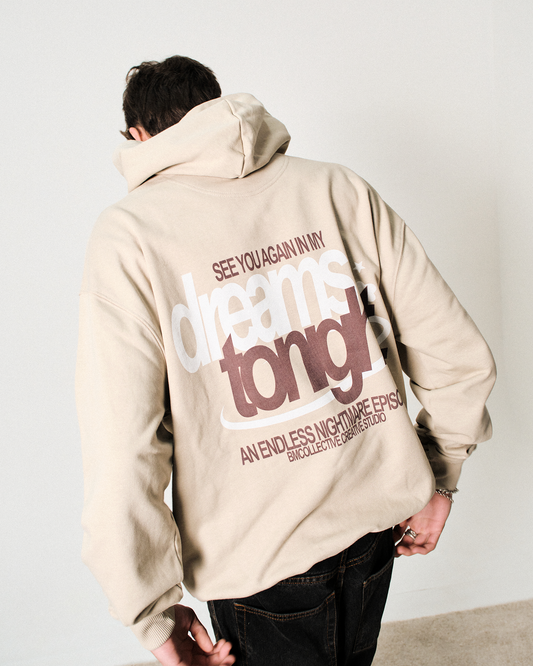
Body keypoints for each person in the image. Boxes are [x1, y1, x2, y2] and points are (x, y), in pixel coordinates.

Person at [76, 55, 496, 666]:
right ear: (216, 106)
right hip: (375, 532)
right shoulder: (336, 188)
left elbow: (123, 447)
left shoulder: (130, 237)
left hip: (259, 564)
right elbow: (455, 351)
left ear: (138, 136)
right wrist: (442, 474)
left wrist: (152, 616)